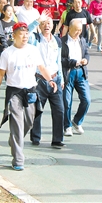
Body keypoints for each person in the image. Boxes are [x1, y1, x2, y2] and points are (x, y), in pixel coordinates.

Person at [0, 22, 57, 171]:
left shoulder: (33, 50)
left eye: (27, 33)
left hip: (31, 91)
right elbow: (0, 74)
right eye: (21, 33)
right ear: (14, 36)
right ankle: (18, 160)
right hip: (14, 92)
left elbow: (42, 68)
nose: (25, 36)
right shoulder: (7, 53)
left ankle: (14, 140)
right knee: (17, 124)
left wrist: (50, 80)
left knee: (28, 122)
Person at [28, 17, 66, 148]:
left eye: (49, 23)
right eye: (44, 23)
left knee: (59, 110)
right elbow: (25, 31)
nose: (46, 26)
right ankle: (35, 137)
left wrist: (61, 77)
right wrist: (36, 21)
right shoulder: (35, 39)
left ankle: (57, 139)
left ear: (53, 26)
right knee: (38, 109)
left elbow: (58, 61)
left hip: (55, 79)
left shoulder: (57, 41)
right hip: (40, 79)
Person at [61, 19, 91, 136]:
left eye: (80, 30)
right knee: (67, 102)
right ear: (69, 28)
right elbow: (60, 59)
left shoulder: (82, 40)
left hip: (81, 73)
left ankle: (77, 121)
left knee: (87, 99)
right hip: (68, 73)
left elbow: (87, 53)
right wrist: (72, 62)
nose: (78, 32)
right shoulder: (62, 41)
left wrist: (86, 60)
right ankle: (67, 126)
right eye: (76, 30)